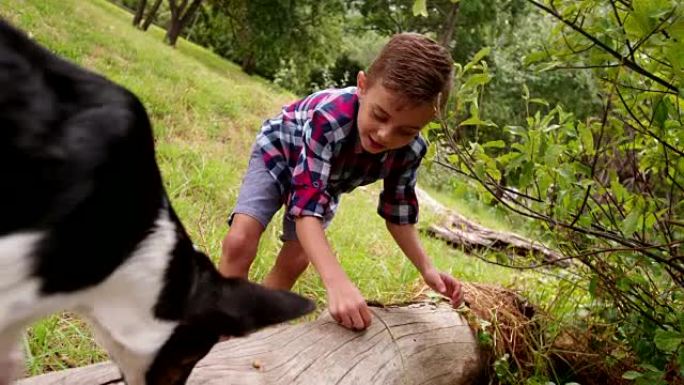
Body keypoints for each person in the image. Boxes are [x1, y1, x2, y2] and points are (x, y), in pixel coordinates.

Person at [219, 32, 464, 331]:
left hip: (326, 182)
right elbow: (305, 210)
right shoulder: (330, 118)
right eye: (380, 115)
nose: (386, 136)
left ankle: (250, 328)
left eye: (406, 131)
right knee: (240, 240)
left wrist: (427, 269)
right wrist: (336, 282)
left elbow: (398, 215)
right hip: (280, 153)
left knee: (296, 260)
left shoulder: (410, 150)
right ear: (362, 86)